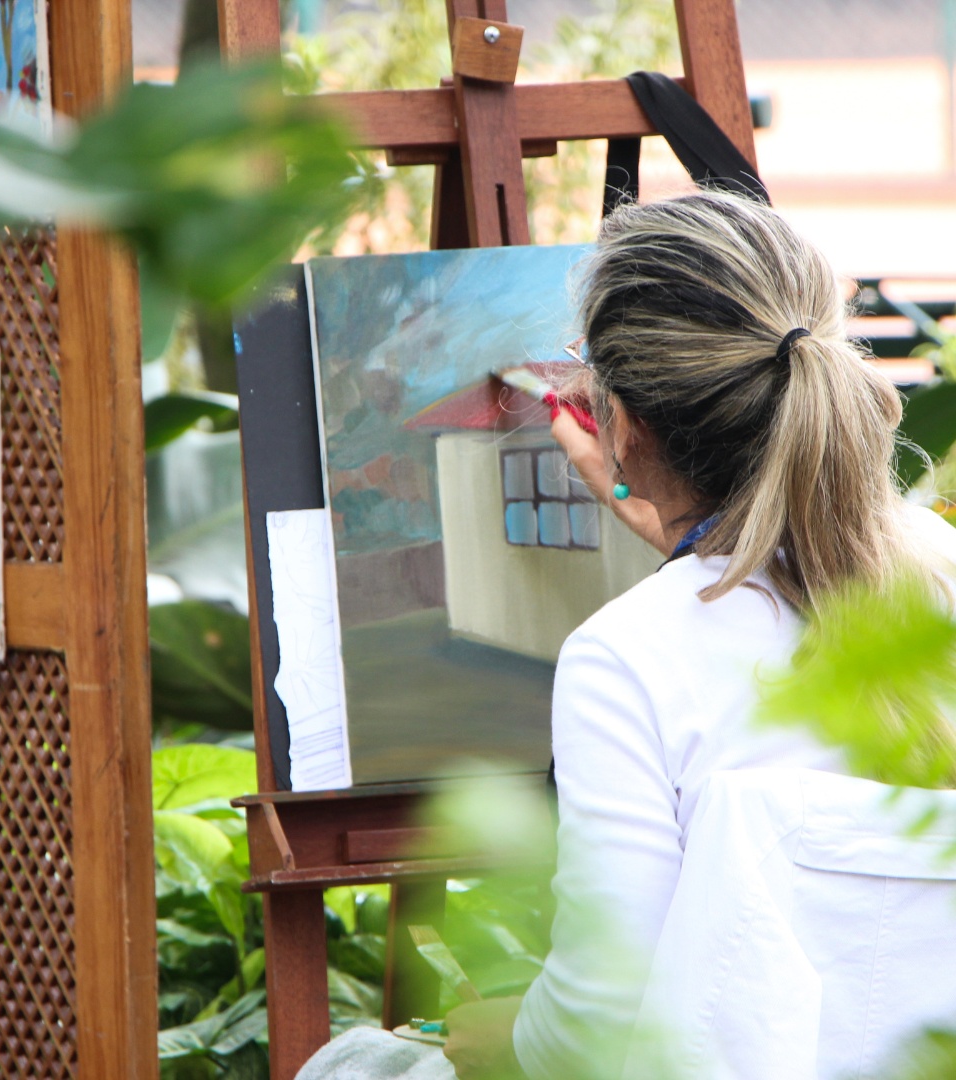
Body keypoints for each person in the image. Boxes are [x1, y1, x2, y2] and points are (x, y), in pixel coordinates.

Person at [297, 190, 956, 1080]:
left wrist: (512, 1040)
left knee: (355, 1066)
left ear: (628, 427)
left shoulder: (627, 655)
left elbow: (601, 1016)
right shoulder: (937, 570)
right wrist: (701, 551)